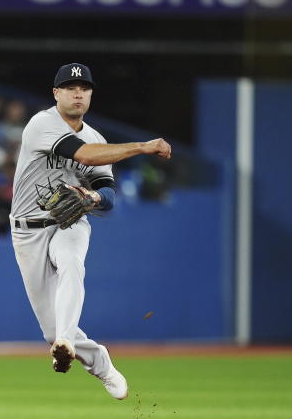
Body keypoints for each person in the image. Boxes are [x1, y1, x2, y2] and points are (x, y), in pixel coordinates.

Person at [9, 63, 171, 400]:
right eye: (69, 87)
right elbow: (82, 154)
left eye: (84, 87)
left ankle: (67, 342)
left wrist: (93, 196)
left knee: (71, 262)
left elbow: (108, 196)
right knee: (50, 331)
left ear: (91, 94)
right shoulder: (42, 123)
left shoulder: (97, 138)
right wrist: (142, 146)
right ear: (56, 94)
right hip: (28, 231)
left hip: (70, 223)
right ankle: (98, 361)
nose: (77, 92)